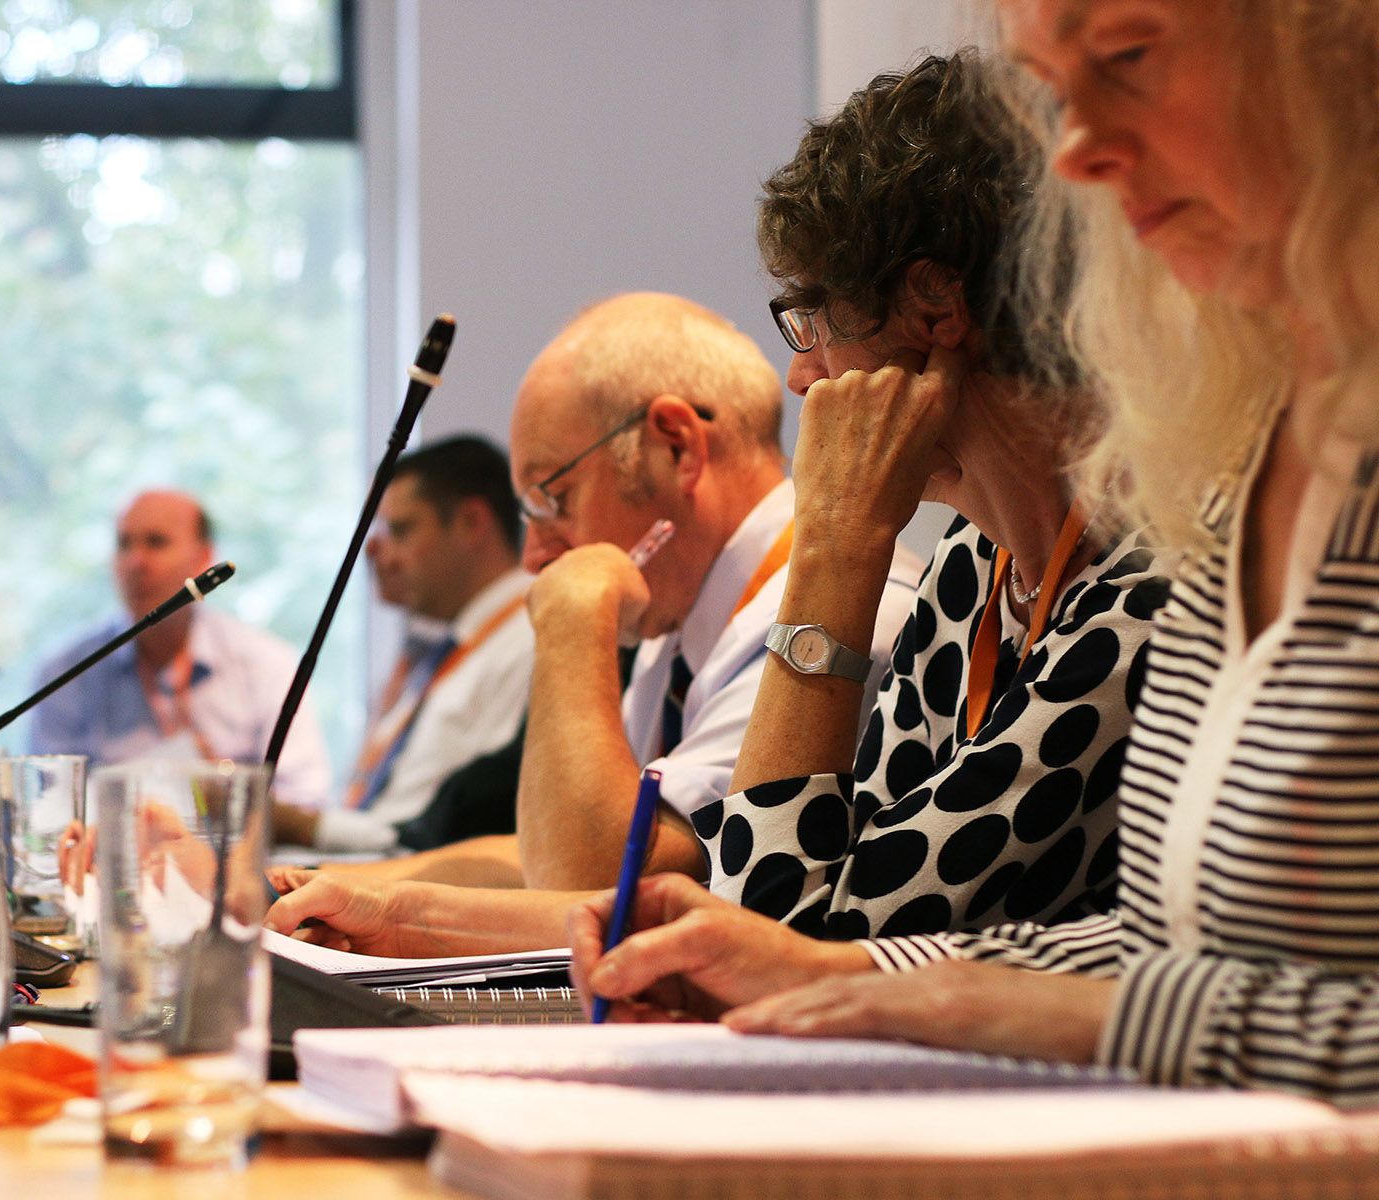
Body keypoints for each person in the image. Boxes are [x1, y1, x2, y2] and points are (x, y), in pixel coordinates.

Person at [573, 0, 1379, 1108]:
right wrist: (861, 980)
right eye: (1056, 91)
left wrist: (836, 549)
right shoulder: (1030, 551)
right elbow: (1160, 949)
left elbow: (814, 919)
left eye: (1129, 56)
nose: (1075, 154)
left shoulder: (1147, 557)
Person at [268, 53, 1167, 955]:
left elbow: (793, 937)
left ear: (934, 312)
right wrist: (394, 916)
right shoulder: (972, 572)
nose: (802, 377)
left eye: (812, 322)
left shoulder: (1140, 591)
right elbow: (729, 901)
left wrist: (836, 539)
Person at [286, 292, 924, 895]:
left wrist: (573, 618)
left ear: (676, 448)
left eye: (552, 500)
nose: (535, 558)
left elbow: (597, 885)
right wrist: (327, 886)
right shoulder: (680, 617)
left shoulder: (828, 611)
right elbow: (542, 853)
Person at [271, 436, 534, 853]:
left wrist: (306, 826)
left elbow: (468, 824)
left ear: (471, 523)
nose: (383, 555)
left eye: (400, 530)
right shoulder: (450, 643)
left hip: (416, 873)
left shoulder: (530, 638)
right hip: (378, 865)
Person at [28, 489, 330, 810]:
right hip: (113, 843)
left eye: (156, 542)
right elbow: (52, 807)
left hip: (234, 841)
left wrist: (227, 795)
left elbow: (305, 800)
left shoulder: (266, 664)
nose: (135, 562)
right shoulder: (66, 674)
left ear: (203, 558)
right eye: (124, 544)